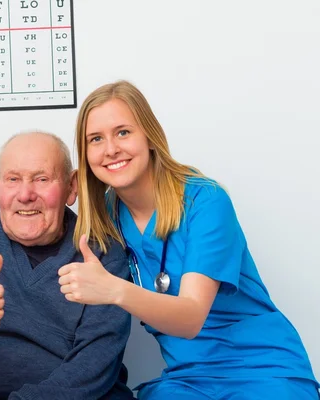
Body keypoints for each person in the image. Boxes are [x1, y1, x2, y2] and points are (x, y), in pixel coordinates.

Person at [57, 80, 320, 399]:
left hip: (263, 370)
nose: (111, 148)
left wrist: (114, 289)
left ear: (150, 137)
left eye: (123, 132)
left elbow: (191, 317)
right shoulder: (105, 218)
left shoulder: (205, 201)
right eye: (95, 139)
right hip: (188, 380)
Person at [0, 132, 135, 400]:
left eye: (41, 179)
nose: (25, 195)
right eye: (13, 179)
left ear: (72, 186)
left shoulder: (103, 250)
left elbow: (97, 361)